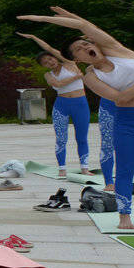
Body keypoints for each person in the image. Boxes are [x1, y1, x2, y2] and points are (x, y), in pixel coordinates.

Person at [17, 7, 134, 231]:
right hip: (127, 120)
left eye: (87, 43)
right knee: (124, 169)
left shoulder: (118, 50)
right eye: (79, 49)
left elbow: (85, 26)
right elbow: (121, 99)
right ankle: (125, 217)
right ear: (77, 59)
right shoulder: (91, 77)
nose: (86, 47)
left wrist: (40, 17)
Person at [17, 32, 94, 174]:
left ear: (55, 57)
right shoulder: (48, 75)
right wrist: (77, 77)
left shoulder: (70, 63)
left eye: (50, 59)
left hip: (80, 104)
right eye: (45, 63)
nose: (50, 62)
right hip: (61, 106)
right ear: (44, 66)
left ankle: (84, 168)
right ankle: (62, 168)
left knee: (81, 137)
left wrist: (34, 37)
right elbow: (58, 84)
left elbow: (49, 48)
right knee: (61, 138)